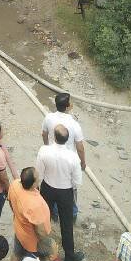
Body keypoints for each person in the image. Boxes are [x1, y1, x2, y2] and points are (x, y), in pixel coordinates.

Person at [35, 124, 84, 261]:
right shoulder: (73, 157)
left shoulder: (44, 151)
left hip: (47, 188)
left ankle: (38, 249)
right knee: (66, 224)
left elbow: (39, 173)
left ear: (54, 137)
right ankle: (69, 256)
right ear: (67, 139)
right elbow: (77, 182)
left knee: (43, 219)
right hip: (65, 192)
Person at [42, 91, 86, 219]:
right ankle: (72, 214)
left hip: (52, 156)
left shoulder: (49, 118)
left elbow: (44, 134)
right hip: (69, 161)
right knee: (70, 189)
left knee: (53, 183)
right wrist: (83, 162)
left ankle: (55, 213)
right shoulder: (74, 124)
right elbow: (80, 147)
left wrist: (47, 147)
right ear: (68, 107)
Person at [7, 166, 51, 261]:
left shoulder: (15, 185)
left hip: (19, 231)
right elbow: (40, 231)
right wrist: (45, 244)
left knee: (16, 255)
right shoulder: (34, 205)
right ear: (33, 184)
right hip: (33, 243)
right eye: (37, 178)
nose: (39, 177)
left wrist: (17, 215)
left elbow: (11, 203)